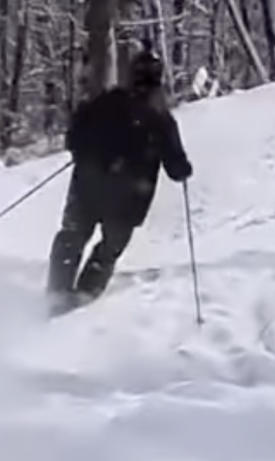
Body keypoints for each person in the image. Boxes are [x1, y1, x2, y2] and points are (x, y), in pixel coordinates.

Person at [46, 49, 194, 311]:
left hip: (86, 187)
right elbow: (176, 168)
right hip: (127, 199)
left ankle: (56, 295)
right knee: (109, 249)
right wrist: (183, 167)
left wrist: (86, 154)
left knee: (71, 237)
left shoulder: (106, 101)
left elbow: (73, 137)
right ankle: (81, 300)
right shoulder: (160, 118)